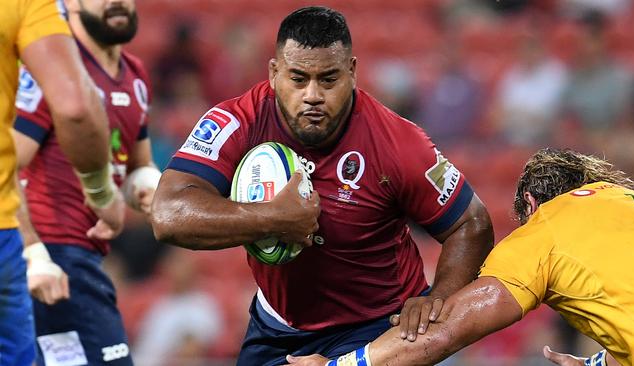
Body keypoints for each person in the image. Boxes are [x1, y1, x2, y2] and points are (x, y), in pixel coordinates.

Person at [151, 6, 494, 366]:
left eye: (328, 79)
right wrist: (272, 218)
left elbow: (472, 224)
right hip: (277, 328)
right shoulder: (238, 121)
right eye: (298, 79)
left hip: (379, 325)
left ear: (352, 72)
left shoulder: (399, 143)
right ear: (273, 73)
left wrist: (438, 298)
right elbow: (167, 214)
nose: (312, 95)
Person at [286, 148, 634, 366]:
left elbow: (447, 331)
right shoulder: (633, 201)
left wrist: (341, 363)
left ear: (530, 204)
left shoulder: (542, 230)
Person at [12, 0, 158, 364]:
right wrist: (33, 254)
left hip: (85, 261)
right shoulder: (54, 67)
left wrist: (147, 186)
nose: (117, 2)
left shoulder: (136, 74)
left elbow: (138, 163)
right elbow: (5, 167)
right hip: (50, 261)